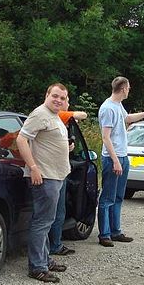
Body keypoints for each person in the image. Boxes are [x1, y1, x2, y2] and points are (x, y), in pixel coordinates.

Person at [16, 83, 73, 283]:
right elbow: (22, 140)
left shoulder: (54, 116)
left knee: (47, 221)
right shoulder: (40, 114)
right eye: (55, 96)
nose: (58, 100)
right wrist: (33, 167)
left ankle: (45, 260)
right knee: (42, 222)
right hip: (45, 176)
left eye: (63, 98)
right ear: (46, 95)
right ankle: (37, 267)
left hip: (56, 175)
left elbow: (48, 142)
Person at [97, 76, 144, 247]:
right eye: (129, 87)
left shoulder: (118, 106)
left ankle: (115, 231)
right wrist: (115, 160)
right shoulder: (108, 108)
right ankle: (104, 234)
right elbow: (105, 137)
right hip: (113, 159)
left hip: (123, 157)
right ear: (124, 88)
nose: (129, 90)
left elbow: (127, 119)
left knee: (118, 196)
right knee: (107, 197)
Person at [49, 101, 88, 257]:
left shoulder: (57, 120)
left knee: (56, 211)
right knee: (57, 212)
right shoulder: (59, 115)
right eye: (66, 101)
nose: (68, 103)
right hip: (56, 172)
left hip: (58, 170)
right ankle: (55, 245)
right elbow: (82, 115)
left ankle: (54, 244)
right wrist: (71, 116)